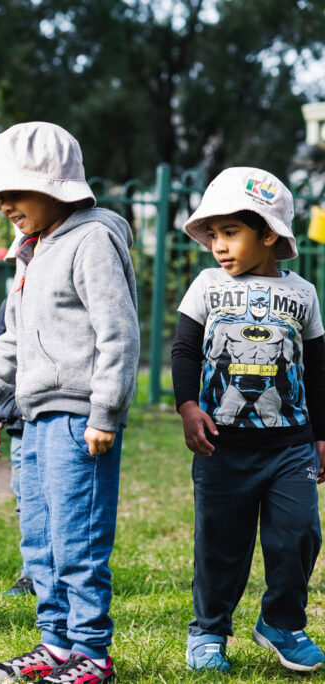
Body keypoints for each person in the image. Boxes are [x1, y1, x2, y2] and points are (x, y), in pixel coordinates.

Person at [0, 122, 139, 684]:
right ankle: (56, 645)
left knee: (77, 541)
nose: (4, 205)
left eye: (14, 193)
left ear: (57, 186)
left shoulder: (92, 241)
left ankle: (93, 655)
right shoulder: (31, 251)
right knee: (39, 538)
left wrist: (105, 412)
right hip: (34, 419)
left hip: (78, 421)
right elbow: (13, 335)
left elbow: (119, 333)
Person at [171, 167, 325, 673]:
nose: (218, 245)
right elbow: (185, 350)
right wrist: (188, 406)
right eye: (212, 234)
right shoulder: (206, 285)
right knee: (220, 543)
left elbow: (318, 367)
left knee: (299, 533)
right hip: (223, 448)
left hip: (291, 447)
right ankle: (210, 630)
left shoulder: (302, 293)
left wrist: (322, 435)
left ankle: (281, 623)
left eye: (230, 232)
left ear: (268, 234)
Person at [0, 295, 33, 597]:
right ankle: (33, 574)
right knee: (25, 500)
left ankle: (64, 574)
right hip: (20, 419)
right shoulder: (17, 296)